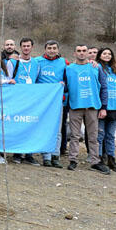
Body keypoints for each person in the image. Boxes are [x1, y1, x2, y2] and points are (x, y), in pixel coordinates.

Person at [64, 45, 109, 174]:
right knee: (74, 135)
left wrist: (103, 107)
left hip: (92, 107)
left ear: (89, 53)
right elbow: (66, 86)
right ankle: (73, 160)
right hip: (75, 106)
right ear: (74, 53)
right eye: (79, 51)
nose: (82, 53)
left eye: (84, 51)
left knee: (93, 136)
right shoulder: (69, 69)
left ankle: (95, 161)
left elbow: (104, 87)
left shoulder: (96, 67)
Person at [35, 40, 68, 168]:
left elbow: (68, 79)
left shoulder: (63, 63)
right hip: (42, 101)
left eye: (54, 48)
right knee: (44, 128)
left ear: (58, 50)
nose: (52, 50)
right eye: (49, 48)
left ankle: (56, 156)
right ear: (45, 49)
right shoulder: (37, 61)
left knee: (57, 130)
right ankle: (46, 157)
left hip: (57, 101)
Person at [96, 48, 116, 173]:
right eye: (104, 53)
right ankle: (100, 159)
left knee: (110, 135)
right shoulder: (96, 67)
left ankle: (111, 159)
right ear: (100, 55)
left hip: (115, 108)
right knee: (100, 135)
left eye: (109, 54)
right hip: (102, 107)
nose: (107, 55)